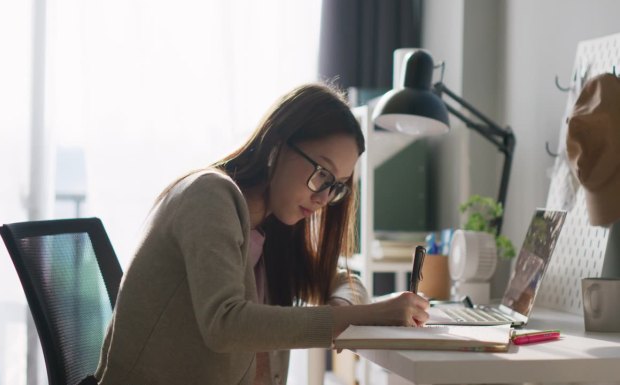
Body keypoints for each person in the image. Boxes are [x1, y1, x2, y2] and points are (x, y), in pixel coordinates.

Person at [94, 83, 429, 385]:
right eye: (322, 174)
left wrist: (342, 305)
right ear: (279, 145)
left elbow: (345, 280)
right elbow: (225, 324)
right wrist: (359, 318)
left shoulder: (272, 227)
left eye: (336, 187)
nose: (324, 198)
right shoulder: (209, 196)